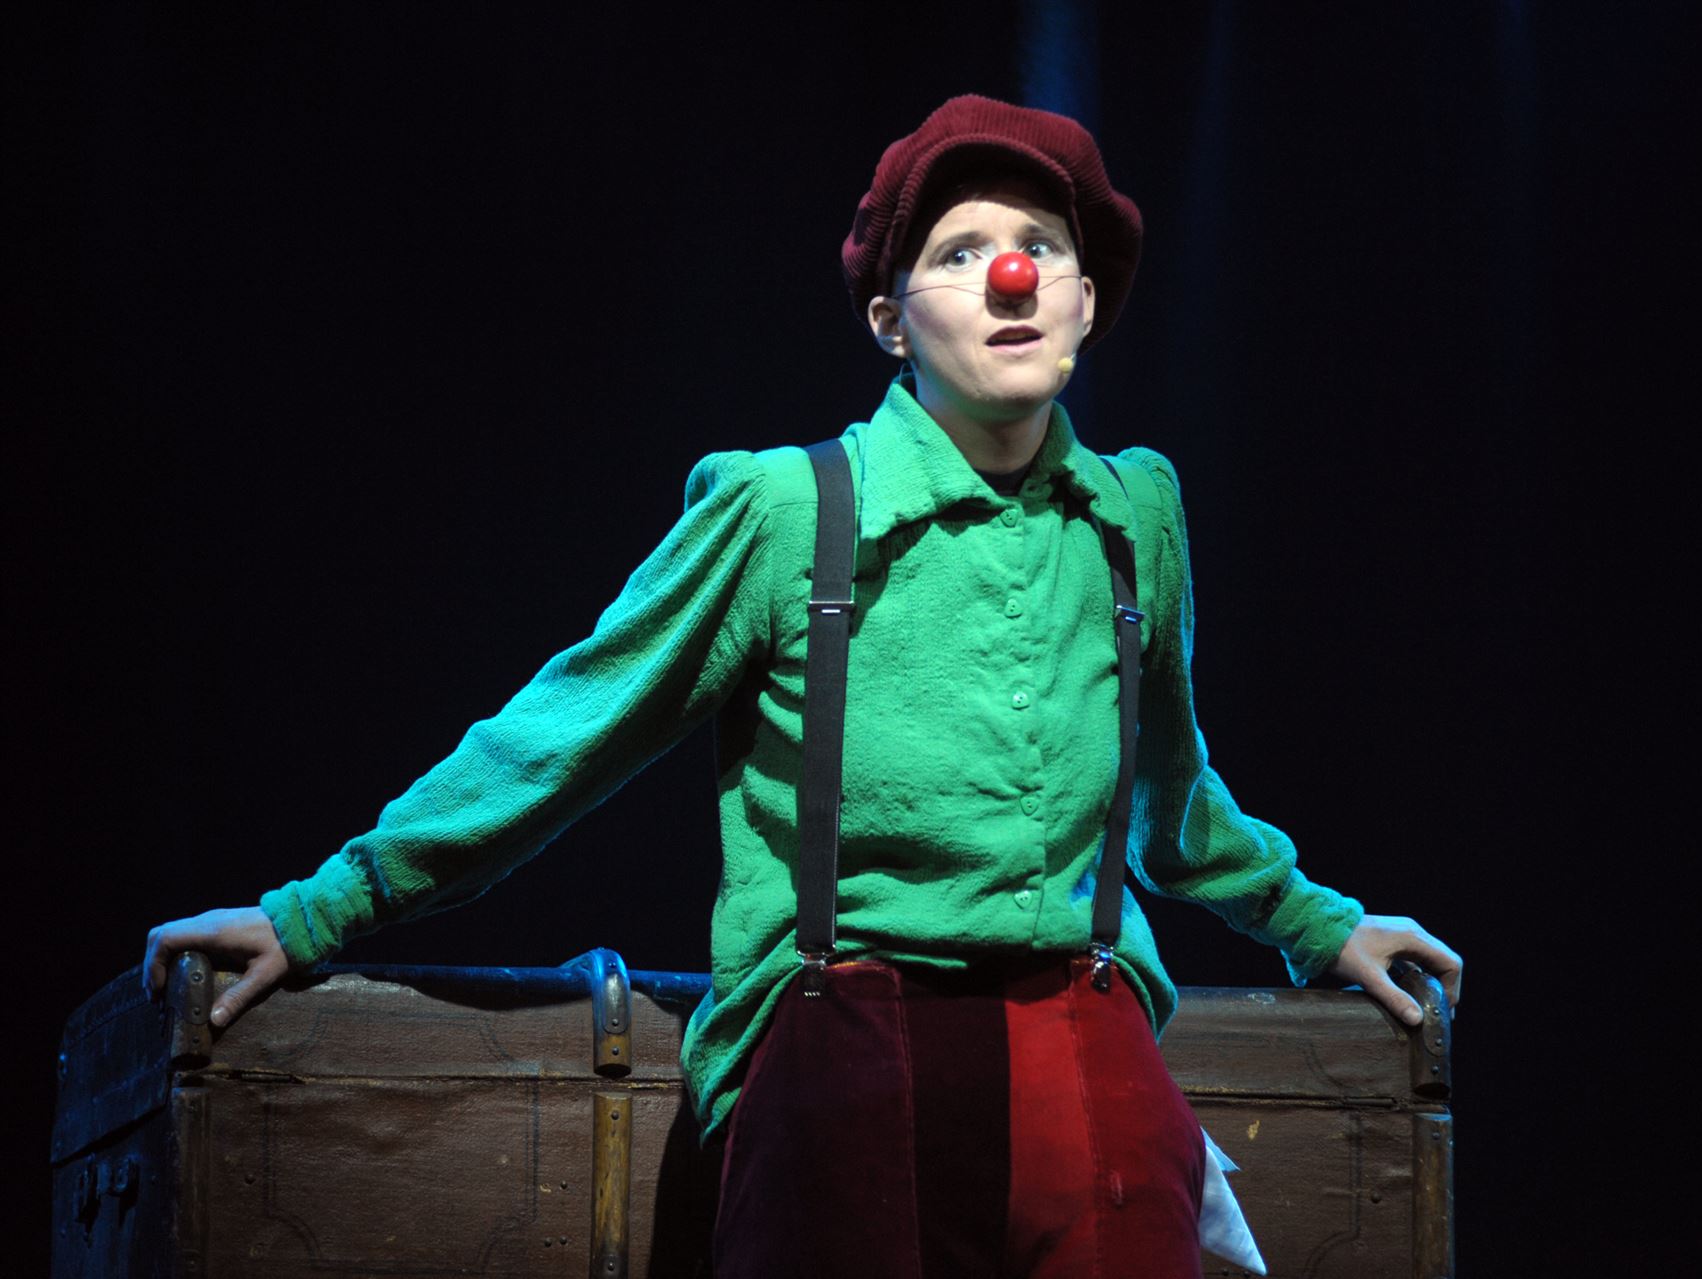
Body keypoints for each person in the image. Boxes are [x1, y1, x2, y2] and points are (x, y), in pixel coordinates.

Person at [144, 94, 1462, 1277]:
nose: (1011, 276)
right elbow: (566, 730)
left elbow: (1170, 798)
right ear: (892, 320)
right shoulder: (788, 511)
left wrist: (1318, 924)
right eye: (961, 253)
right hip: (843, 1040)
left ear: (1086, 301)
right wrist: (320, 910)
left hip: (1085, 1036)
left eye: (1040, 248)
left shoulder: (1136, 520)